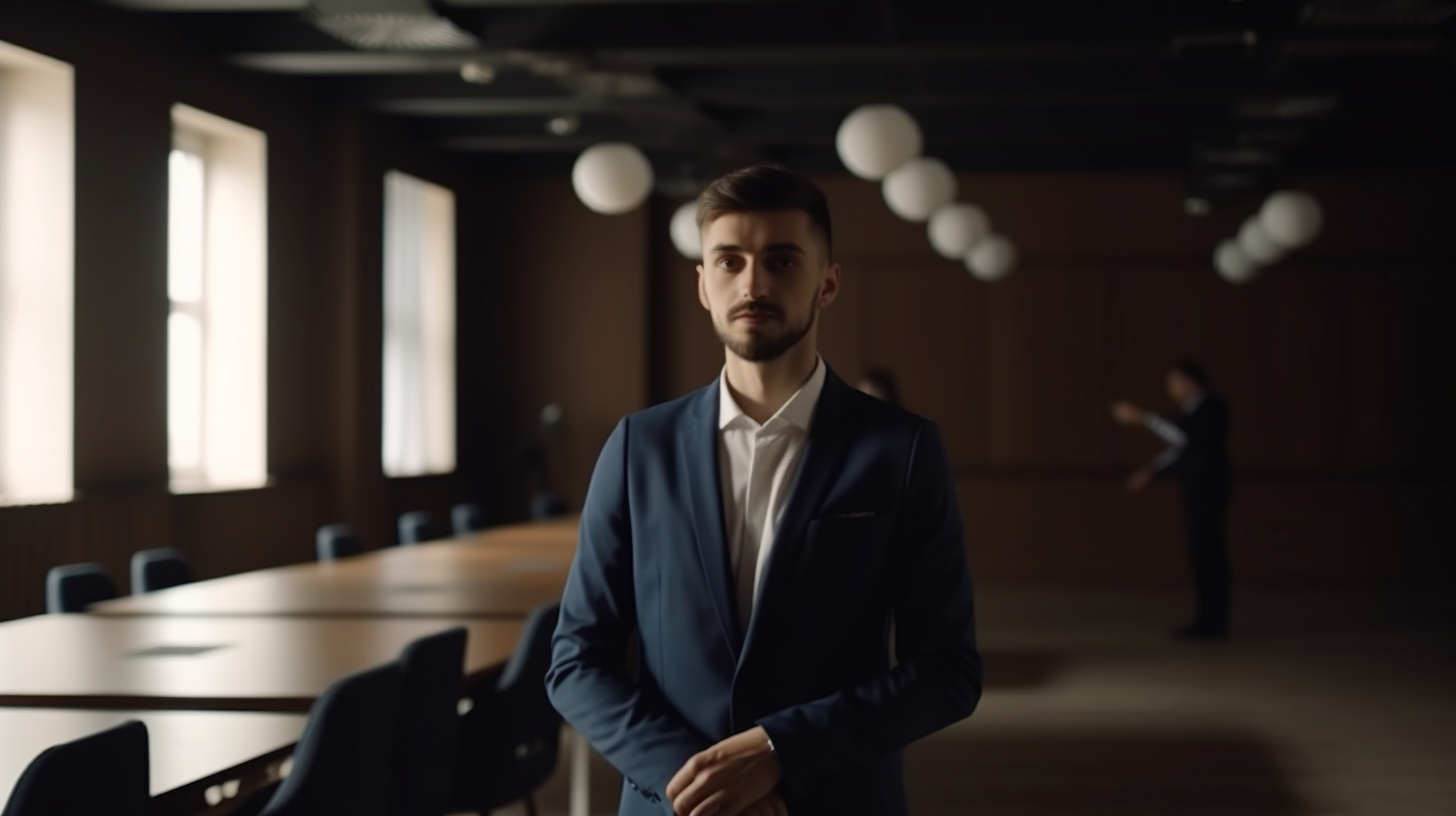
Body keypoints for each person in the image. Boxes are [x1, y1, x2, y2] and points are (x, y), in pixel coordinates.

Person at [547, 165, 982, 816]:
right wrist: (699, 782)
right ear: (702, 285)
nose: (753, 283)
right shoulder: (641, 446)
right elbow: (576, 661)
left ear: (828, 281)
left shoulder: (901, 449)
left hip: (833, 800)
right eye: (729, 261)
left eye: (781, 260)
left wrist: (781, 753)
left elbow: (948, 670)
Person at [1111, 360, 1233, 640]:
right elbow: (1181, 449)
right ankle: (1206, 620)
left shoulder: (1212, 408)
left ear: (1190, 382)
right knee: (1202, 554)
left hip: (1209, 492)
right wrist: (1151, 470)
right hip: (1198, 493)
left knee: (1210, 554)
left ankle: (1213, 621)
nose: (1170, 390)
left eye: (1174, 383)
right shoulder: (1194, 412)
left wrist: (1142, 417)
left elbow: (1183, 435)